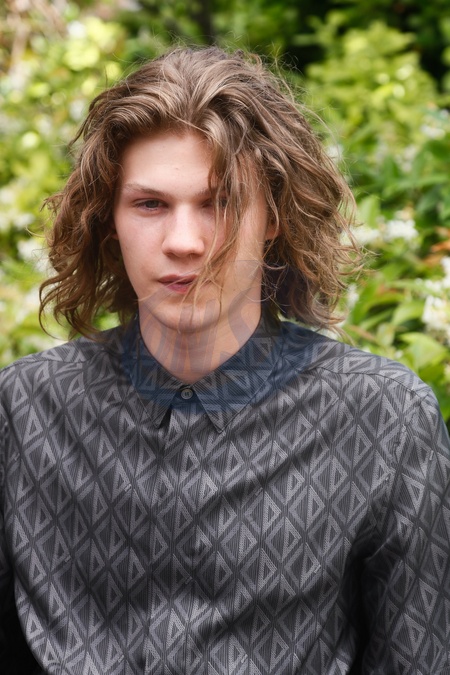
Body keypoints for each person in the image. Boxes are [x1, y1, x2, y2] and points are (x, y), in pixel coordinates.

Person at [0, 46, 449, 675]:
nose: (184, 243)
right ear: (110, 221)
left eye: (220, 203)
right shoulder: (24, 408)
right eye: (150, 204)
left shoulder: (383, 420)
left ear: (273, 217)